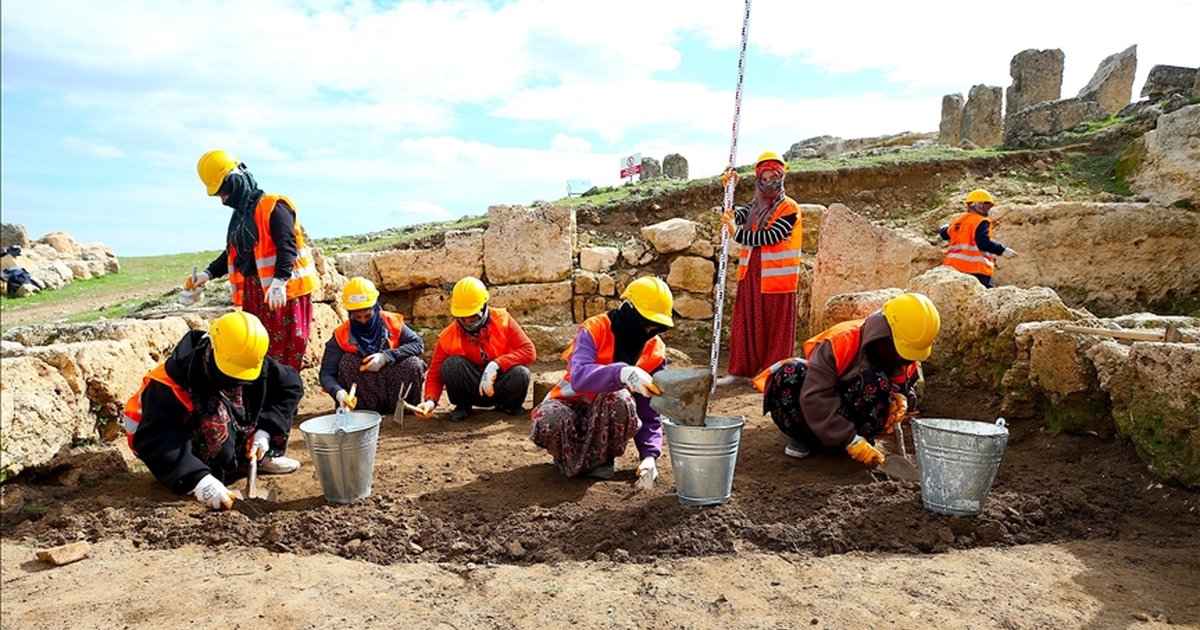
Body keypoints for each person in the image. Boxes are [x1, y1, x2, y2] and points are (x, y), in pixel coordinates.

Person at [122, 311, 304, 511]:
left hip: (235, 431)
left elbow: (290, 386)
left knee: (254, 396)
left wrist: (266, 431)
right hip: (169, 449)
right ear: (212, 349)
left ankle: (255, 458)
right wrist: (198, 479)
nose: (234, 381)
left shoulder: (247, 358)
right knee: (214, 421)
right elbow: (159, 439)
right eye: (230, 373)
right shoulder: (169, 384)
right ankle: (207, 475)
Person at [751, 293, 940, 467]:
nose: (905, 360)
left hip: (854, 421)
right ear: (886, 335)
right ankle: (807, 438)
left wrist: (902, 397)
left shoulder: (903, 356)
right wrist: (849, 439)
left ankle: (859, 440)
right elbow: (815, 396)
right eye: (903, 353)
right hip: (813, 415)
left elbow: (908, 384)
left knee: (878, 383)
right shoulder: (841, 342)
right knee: (789, 374)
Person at [185, 150, 318, 373]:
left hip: (286, 294)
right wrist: (207, 274)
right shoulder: (240, 217)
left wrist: (280, 281)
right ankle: (262, 402)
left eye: (223, 192)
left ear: (235, 181)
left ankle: (283, 402)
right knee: (257, 350)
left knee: (285, 352)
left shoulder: (274, 207)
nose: (223, 200)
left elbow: (288, 246)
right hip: (256, 293)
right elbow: (233, 252)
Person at [530, 276, 673, 482]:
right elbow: (579, 378)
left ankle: (603, 459)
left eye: (657, 327)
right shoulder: (595, 328)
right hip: (570, 405)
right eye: (646, 323)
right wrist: (621, 373)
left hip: (607, 417)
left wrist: (649, 455)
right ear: (629, 309)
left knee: (620, 399)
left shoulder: (654, 350)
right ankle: (565, 457)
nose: (649, 331)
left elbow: (649, 411)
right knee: (549, 419)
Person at [717, 151, 804, 385]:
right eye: (762, 178)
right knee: (745, 324)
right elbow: (735, 215)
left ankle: (772, 377)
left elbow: (772, 236)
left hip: (777, 280)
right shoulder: (755, 206)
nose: (767, 183)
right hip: (751, 274)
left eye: (772, 177)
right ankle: (740, 371)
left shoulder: (789, 208)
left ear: (781, 177)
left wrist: (738, 234)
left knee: (776, 330)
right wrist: (729, 190)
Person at [415, 276, 536, 422]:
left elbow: (529, 351)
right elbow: (435, 373)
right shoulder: (449, 335)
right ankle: (462, 407)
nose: (467, 322)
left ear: (483, 307)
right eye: (463, 317)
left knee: (521, 373)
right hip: (470, 388)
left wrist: (497, 364)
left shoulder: (502, 319)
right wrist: (430, 401)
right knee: (452, 364)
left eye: (472, 317)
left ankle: (508, 405)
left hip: (499, 385)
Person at [319, 277, 426, 414]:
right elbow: (326, 374)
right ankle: (359, 412)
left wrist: (386, 357)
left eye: (368, 316)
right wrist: (338, 392)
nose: (363, 321)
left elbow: (417, 344)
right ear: (349, 314)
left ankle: (405, 410)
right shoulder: (341, 334)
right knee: (346, 362)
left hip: (394, 383)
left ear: (376, 308)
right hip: (363, 391)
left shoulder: (390, 322)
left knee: (413, 364)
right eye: (357, 317)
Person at [940, 188, 1018, 288]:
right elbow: (983, 243)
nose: (989, 209)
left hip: (953, 269)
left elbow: (945, 234)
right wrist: (1002, 250)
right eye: (987, 205)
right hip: (976, 270)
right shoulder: (981, 221)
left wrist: (943, 228)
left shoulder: (959, 220)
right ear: (978, 204)